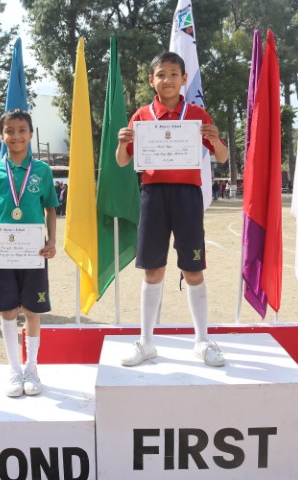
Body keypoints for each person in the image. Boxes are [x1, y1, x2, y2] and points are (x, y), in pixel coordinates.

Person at [115, 51, 229, 368]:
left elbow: (222, 157)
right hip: (153, 194)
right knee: (153, 269)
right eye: (161, 74)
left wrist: (216, 139)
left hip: (187, 196)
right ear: (151, 80)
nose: (167, 80)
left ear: (184, 79)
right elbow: (122, 161)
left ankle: (202, 340)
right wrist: (122, 142)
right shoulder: (141, 115)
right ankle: (146, 342)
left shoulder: (196, 114)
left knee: (193, 268)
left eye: (174, 74)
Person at [0, 109, 58, 397]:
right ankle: (14, 370)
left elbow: (50, 209)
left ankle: (32, 368)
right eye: (9, 131)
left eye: (22, 130)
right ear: (2, 135)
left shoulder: (42, 171)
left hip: (33, 248)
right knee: (6, 309)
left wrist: (52, 240)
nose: (16, 136)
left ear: (31, 134)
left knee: (32, 310)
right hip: (0, 249)